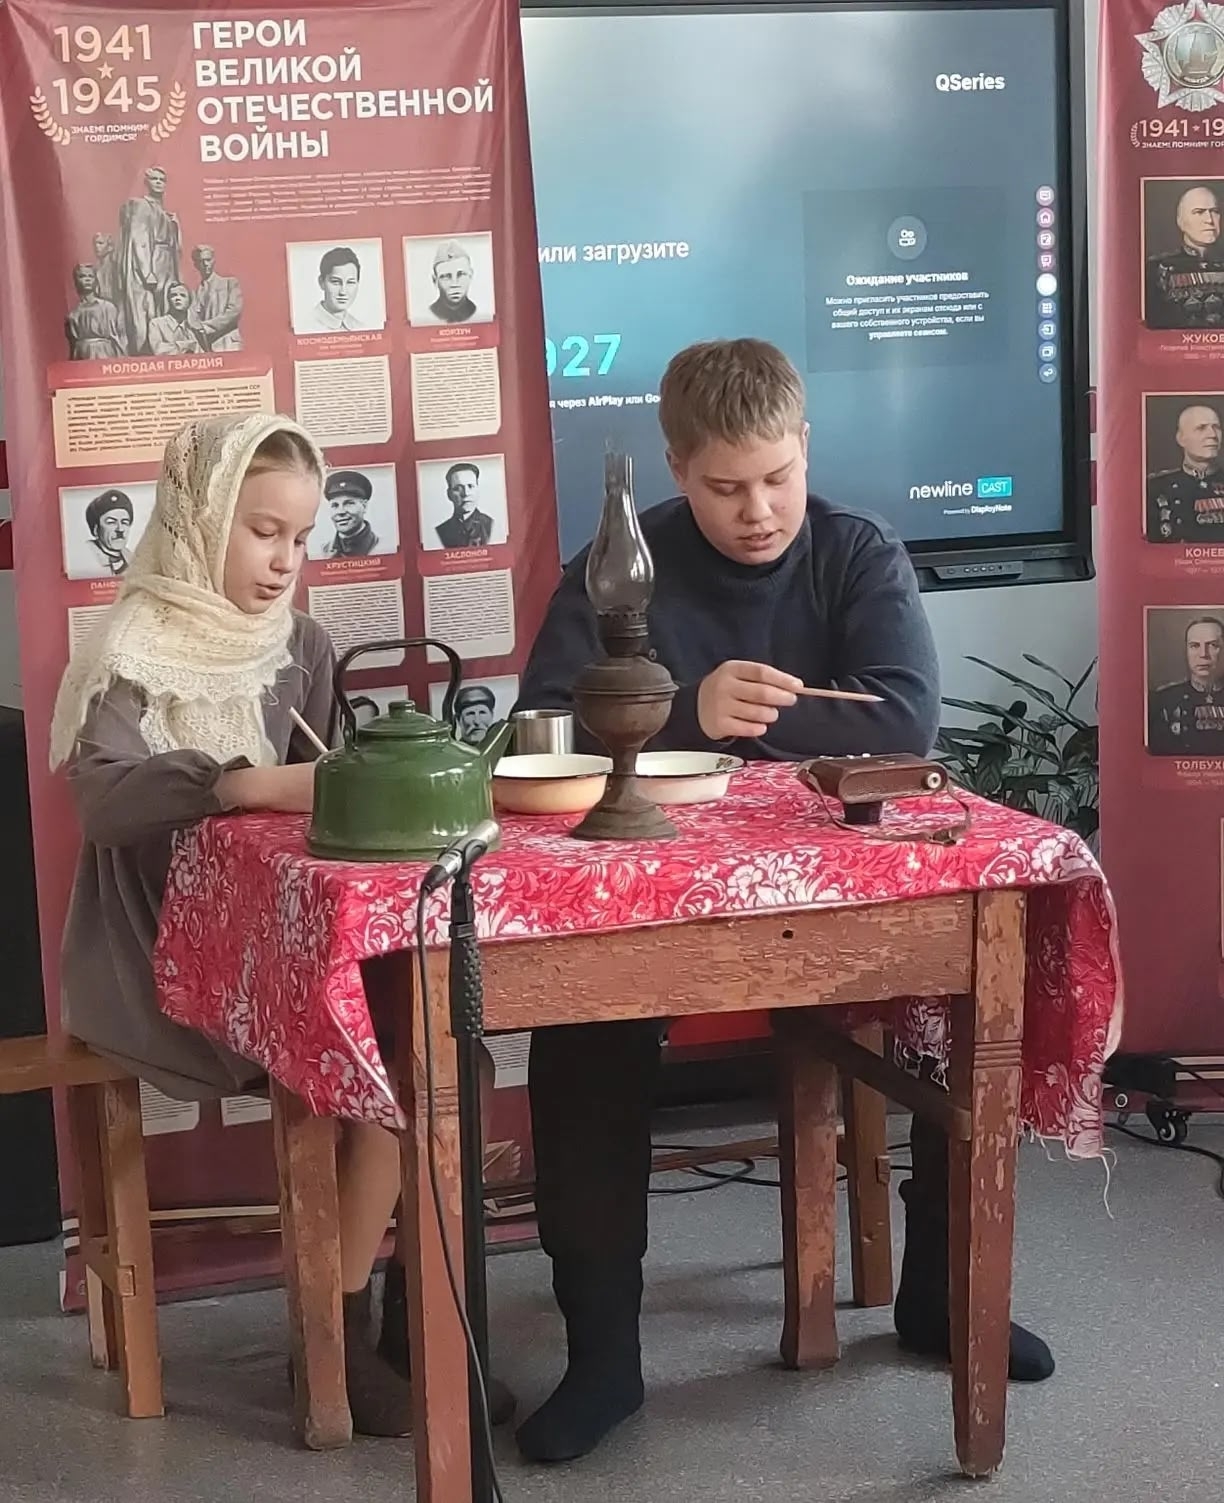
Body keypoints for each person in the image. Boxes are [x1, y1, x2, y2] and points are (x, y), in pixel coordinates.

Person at [512, 338, 1054, 1467]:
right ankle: (603, 1353)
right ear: (676, 467)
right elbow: (544, 727)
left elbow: (902, 721)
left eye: (777, 478)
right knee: (584, 1033)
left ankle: (940, 1293)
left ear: (806, 447)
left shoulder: (857, 551)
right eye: (724, 488)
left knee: (966, 993)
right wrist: (690, 706)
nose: (758, 511)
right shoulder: (623, 565)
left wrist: (716, 720)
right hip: (657, 893)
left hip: (839, 892)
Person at [50, 411, 514, 1437]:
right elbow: (103, 803)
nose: (284, 560)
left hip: (288, 942)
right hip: (161, 951)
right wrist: (236, 782)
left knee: (451, 1061)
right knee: (384, 1081)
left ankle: (414, 1326)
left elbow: (318, 816)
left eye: (300, 538)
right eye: (262, 531)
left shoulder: (300, 645)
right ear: (199, 520)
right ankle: (333, 1334)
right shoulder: (129, 651)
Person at [118, 165, 182, 355]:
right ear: (147, 183)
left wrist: (175, 226)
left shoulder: (163, 212)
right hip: (152, 263)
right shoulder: (141, 206)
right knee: (147, 311)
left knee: (165, 307)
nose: (159, 183)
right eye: (155, 179)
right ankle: (145, 352)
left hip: (166, 263)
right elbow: (140, 240)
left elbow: (176, 247)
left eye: (162, 180)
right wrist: (147, 272)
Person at [1145, 184, 1224, 329]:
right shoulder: (1157, 268)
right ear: (1180, 221)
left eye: (1215, 211)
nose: (1209, 220)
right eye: (1199, 212)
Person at [1146, 403, 1224, 542]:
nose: (1212, 435)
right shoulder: (1156, 487)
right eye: (1201, 428)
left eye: (1216, 427)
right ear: (1181, 438)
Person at [1148, 615, 1224, 754]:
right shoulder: (1164, 700)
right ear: (1186, 651)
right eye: (1194, 646)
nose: (1203, 654)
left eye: (1213, 645)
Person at [65, 263, 125, 360]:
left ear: (96, 281)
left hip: (105, 355)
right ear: (76, 281)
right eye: (82, 276)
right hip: (82, 356)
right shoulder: (73, 315)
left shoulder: (108, 308)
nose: (87, 279)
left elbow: (118, 338)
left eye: (90, 276)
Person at [190, 245, 244, 352]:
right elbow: (194, 318)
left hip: (227, 343)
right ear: (196, 265)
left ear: (213, 261)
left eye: (208, 260)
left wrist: (206, 326)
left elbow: (233, 311)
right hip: (205, 347)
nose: (205, 264)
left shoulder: (229, 283)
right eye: (201, 261)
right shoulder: (195, 293)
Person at [322, 470, 380, 557]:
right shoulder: (323, 552)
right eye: (335, 505)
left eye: (348, 503)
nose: (340, 512)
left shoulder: (383, 548)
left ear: (364, 506)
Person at [436, 462, 494, 549]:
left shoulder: (492, 526)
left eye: (470, 486)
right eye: (458, 488)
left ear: (477, 490)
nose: (466, 493)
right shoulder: (439, 532)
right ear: (449, 494)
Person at [309, 246, 363, 332]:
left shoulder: (361, 328)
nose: (343, 292)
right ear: (321, 282)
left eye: (350, 282)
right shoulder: (305, 325)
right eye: (335, 282)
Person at [84, 489, 135, 576]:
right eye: (111, 522)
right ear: (96, 530)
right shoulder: (85, 560)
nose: (120, 529)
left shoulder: (133, 559)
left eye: (124, 522)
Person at [147, 282, 204, 356]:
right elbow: (158, 350)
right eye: (173, 295)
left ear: (189, 301)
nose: (177, 298)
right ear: (168, 300)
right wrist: (186, 346)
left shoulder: (194, 328)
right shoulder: (156, 324)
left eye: (182, 295)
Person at [427, 240, 477, 324]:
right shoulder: (427, 316)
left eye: (461, 274)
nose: (454, 284)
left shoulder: (480, 313)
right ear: (435, 280)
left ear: (470, 275)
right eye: (446, 277)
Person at [92, 232, 122, 310]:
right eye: (95, 244)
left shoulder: (116, 267)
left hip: (115, 307)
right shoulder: (95, 269)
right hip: (100, 307)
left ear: (110, 247)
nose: (96, 247)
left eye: (100, 243)